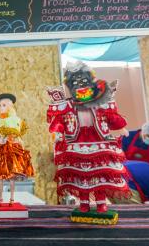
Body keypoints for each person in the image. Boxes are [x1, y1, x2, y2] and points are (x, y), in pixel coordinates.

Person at [47, 61, 130, 215]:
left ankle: (101, 203)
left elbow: (111, 118)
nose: (81, 86)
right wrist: (58, 132)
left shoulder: (99, 104)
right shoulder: (68, 106)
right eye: (76, 83)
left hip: (98, 141)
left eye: (84, 81)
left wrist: (121, 128)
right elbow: (59, 121)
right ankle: (84, 203)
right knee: (80, 176)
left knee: (99, 176)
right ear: (71, 86)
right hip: (76, 142)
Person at [0, 93, 34, 204]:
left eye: (4, 105)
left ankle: (11, 198)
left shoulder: (16, 121)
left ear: (10, 106)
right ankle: (0, 199)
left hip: (11, 151)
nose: (1, 108)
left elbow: (18, 134)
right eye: (0, 105)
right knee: (0, 176)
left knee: (11, 176)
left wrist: (13, 139)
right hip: (1, 151)